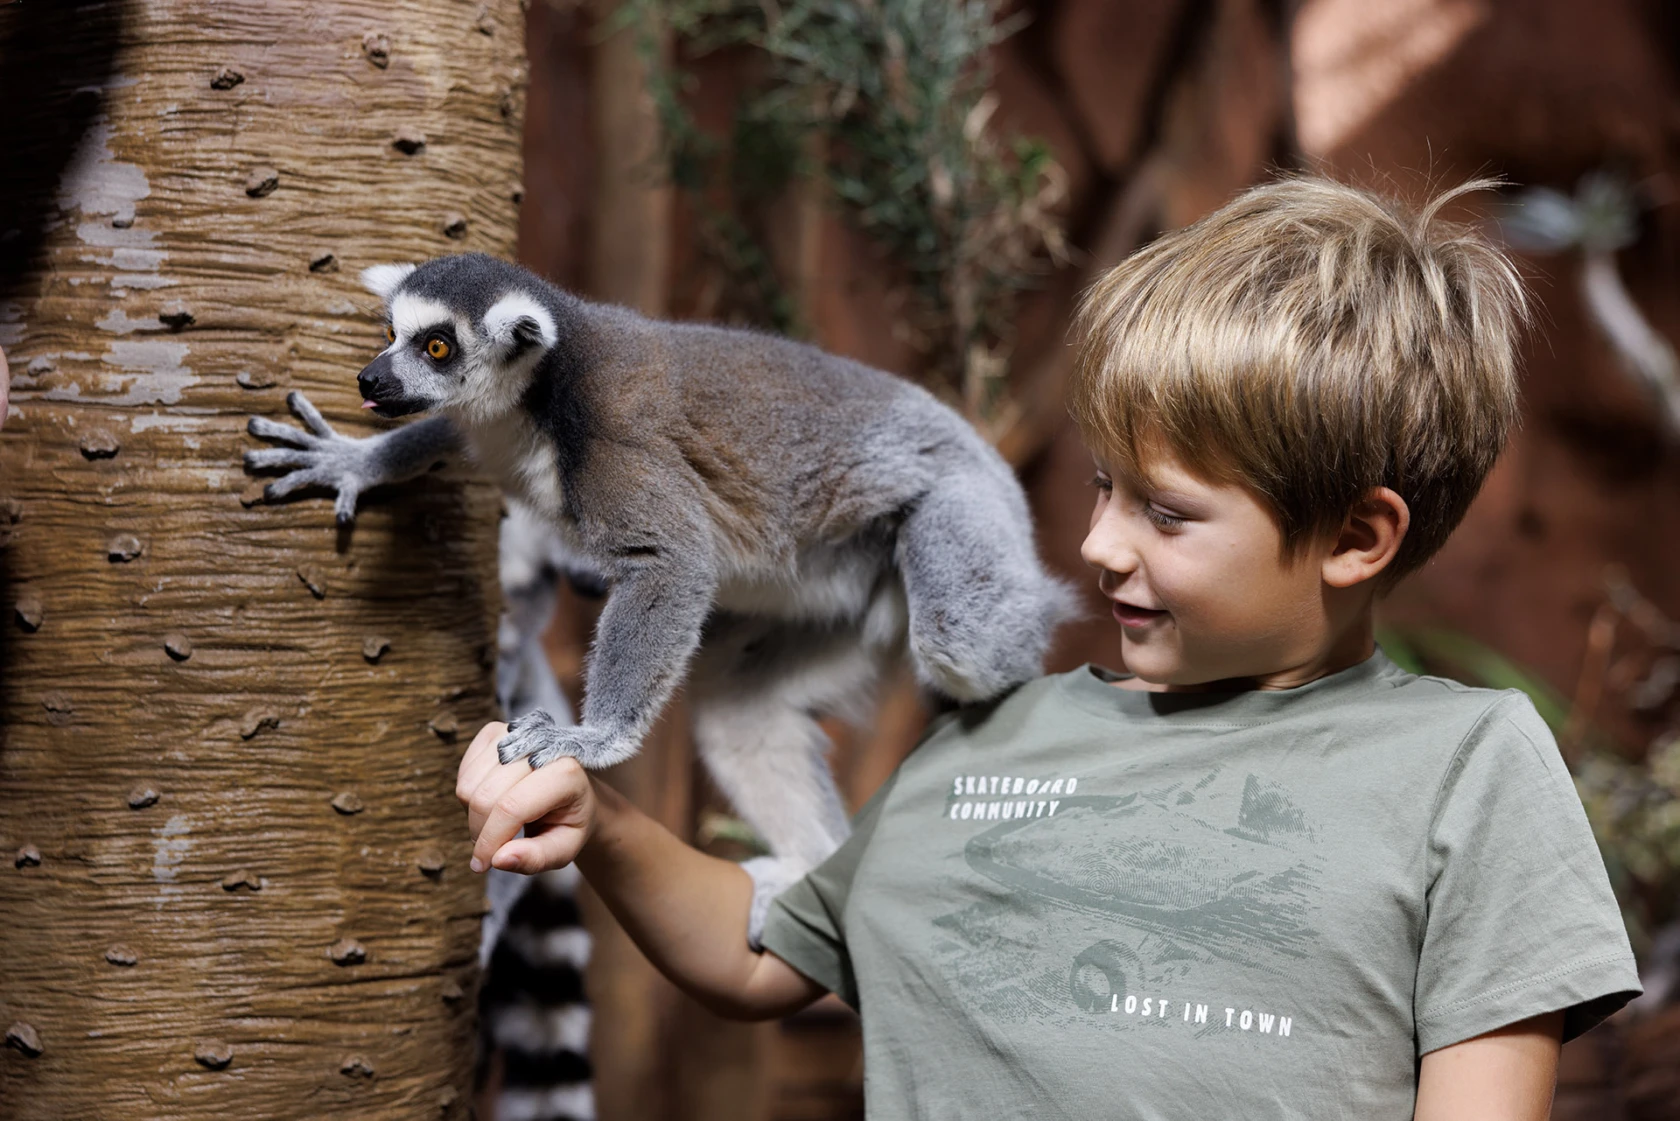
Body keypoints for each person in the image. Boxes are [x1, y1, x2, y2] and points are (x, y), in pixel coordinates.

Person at [454, 177, 1640, 1119]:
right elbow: (769, 958)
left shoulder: (1465, 762)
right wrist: (598, 822)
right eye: (1104, 487)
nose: (1097, 544)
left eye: (1166, 514)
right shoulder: (1000, 733)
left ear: (1357, 535)